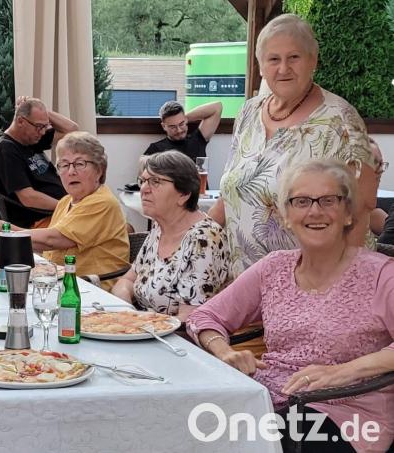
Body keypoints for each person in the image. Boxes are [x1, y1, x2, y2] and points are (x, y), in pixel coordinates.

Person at [187, 160, 394, 453]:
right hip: (266, 399)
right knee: (184, 421)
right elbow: (204, 317)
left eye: (328, 200)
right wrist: (225, 352)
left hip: (347, 412)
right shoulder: (274, 267)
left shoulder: (381, 274)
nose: (315, 211)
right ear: (286, 215)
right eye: (301, 201)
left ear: (348, 213)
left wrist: (345, 371)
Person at [208, 14, 375, 278]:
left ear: (313, 61)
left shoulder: (341, 120)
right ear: (260, 66)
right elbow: (230, 194)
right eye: (273, 59)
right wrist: (191, 238)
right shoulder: (249, 113)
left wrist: (331, 287)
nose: (283, 68)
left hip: (313, 284)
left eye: (294, 57)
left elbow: (360, 211)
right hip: (246, 283)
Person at [0, 131, 129, 290]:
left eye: (79, 164)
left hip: (90, 289)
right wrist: (6, 227)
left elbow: (53, 239)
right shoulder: (66, 201)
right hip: (58, 282)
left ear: (99, 170)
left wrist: (2, 237)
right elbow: (46, 241)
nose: (71, 172)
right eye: (64, 164)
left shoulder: (102, 202)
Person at [111, 151, 228, 321]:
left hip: (178, 340)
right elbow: (127, 281)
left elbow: (189, 319)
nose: (144, 189)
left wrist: (136, 324)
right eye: (143, 181)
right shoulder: (160, 228)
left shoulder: (205, 239)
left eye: (155, 181)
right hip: (141, 328)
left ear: (184, 194)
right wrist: (126, 310)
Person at [0, 96, 79, 228]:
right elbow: (28, 198)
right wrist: (68, 207)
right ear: (20, 121)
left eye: (44, 126)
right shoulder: (5, 149)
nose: (42, 132)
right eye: (38, 126)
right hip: (38, 221)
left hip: (57, 214)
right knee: (93, 230)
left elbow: (72, 130)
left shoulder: (32, 139)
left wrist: (40, 110)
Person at [143, 101, 223, 162]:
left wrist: (185, 117)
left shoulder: (198, 139)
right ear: (164, 126)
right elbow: (143, 180)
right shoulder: (155, 149)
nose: (179, 130)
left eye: (181, 124)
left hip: (200, 183)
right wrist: (181, 120)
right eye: (173, 127)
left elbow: (217, 107)